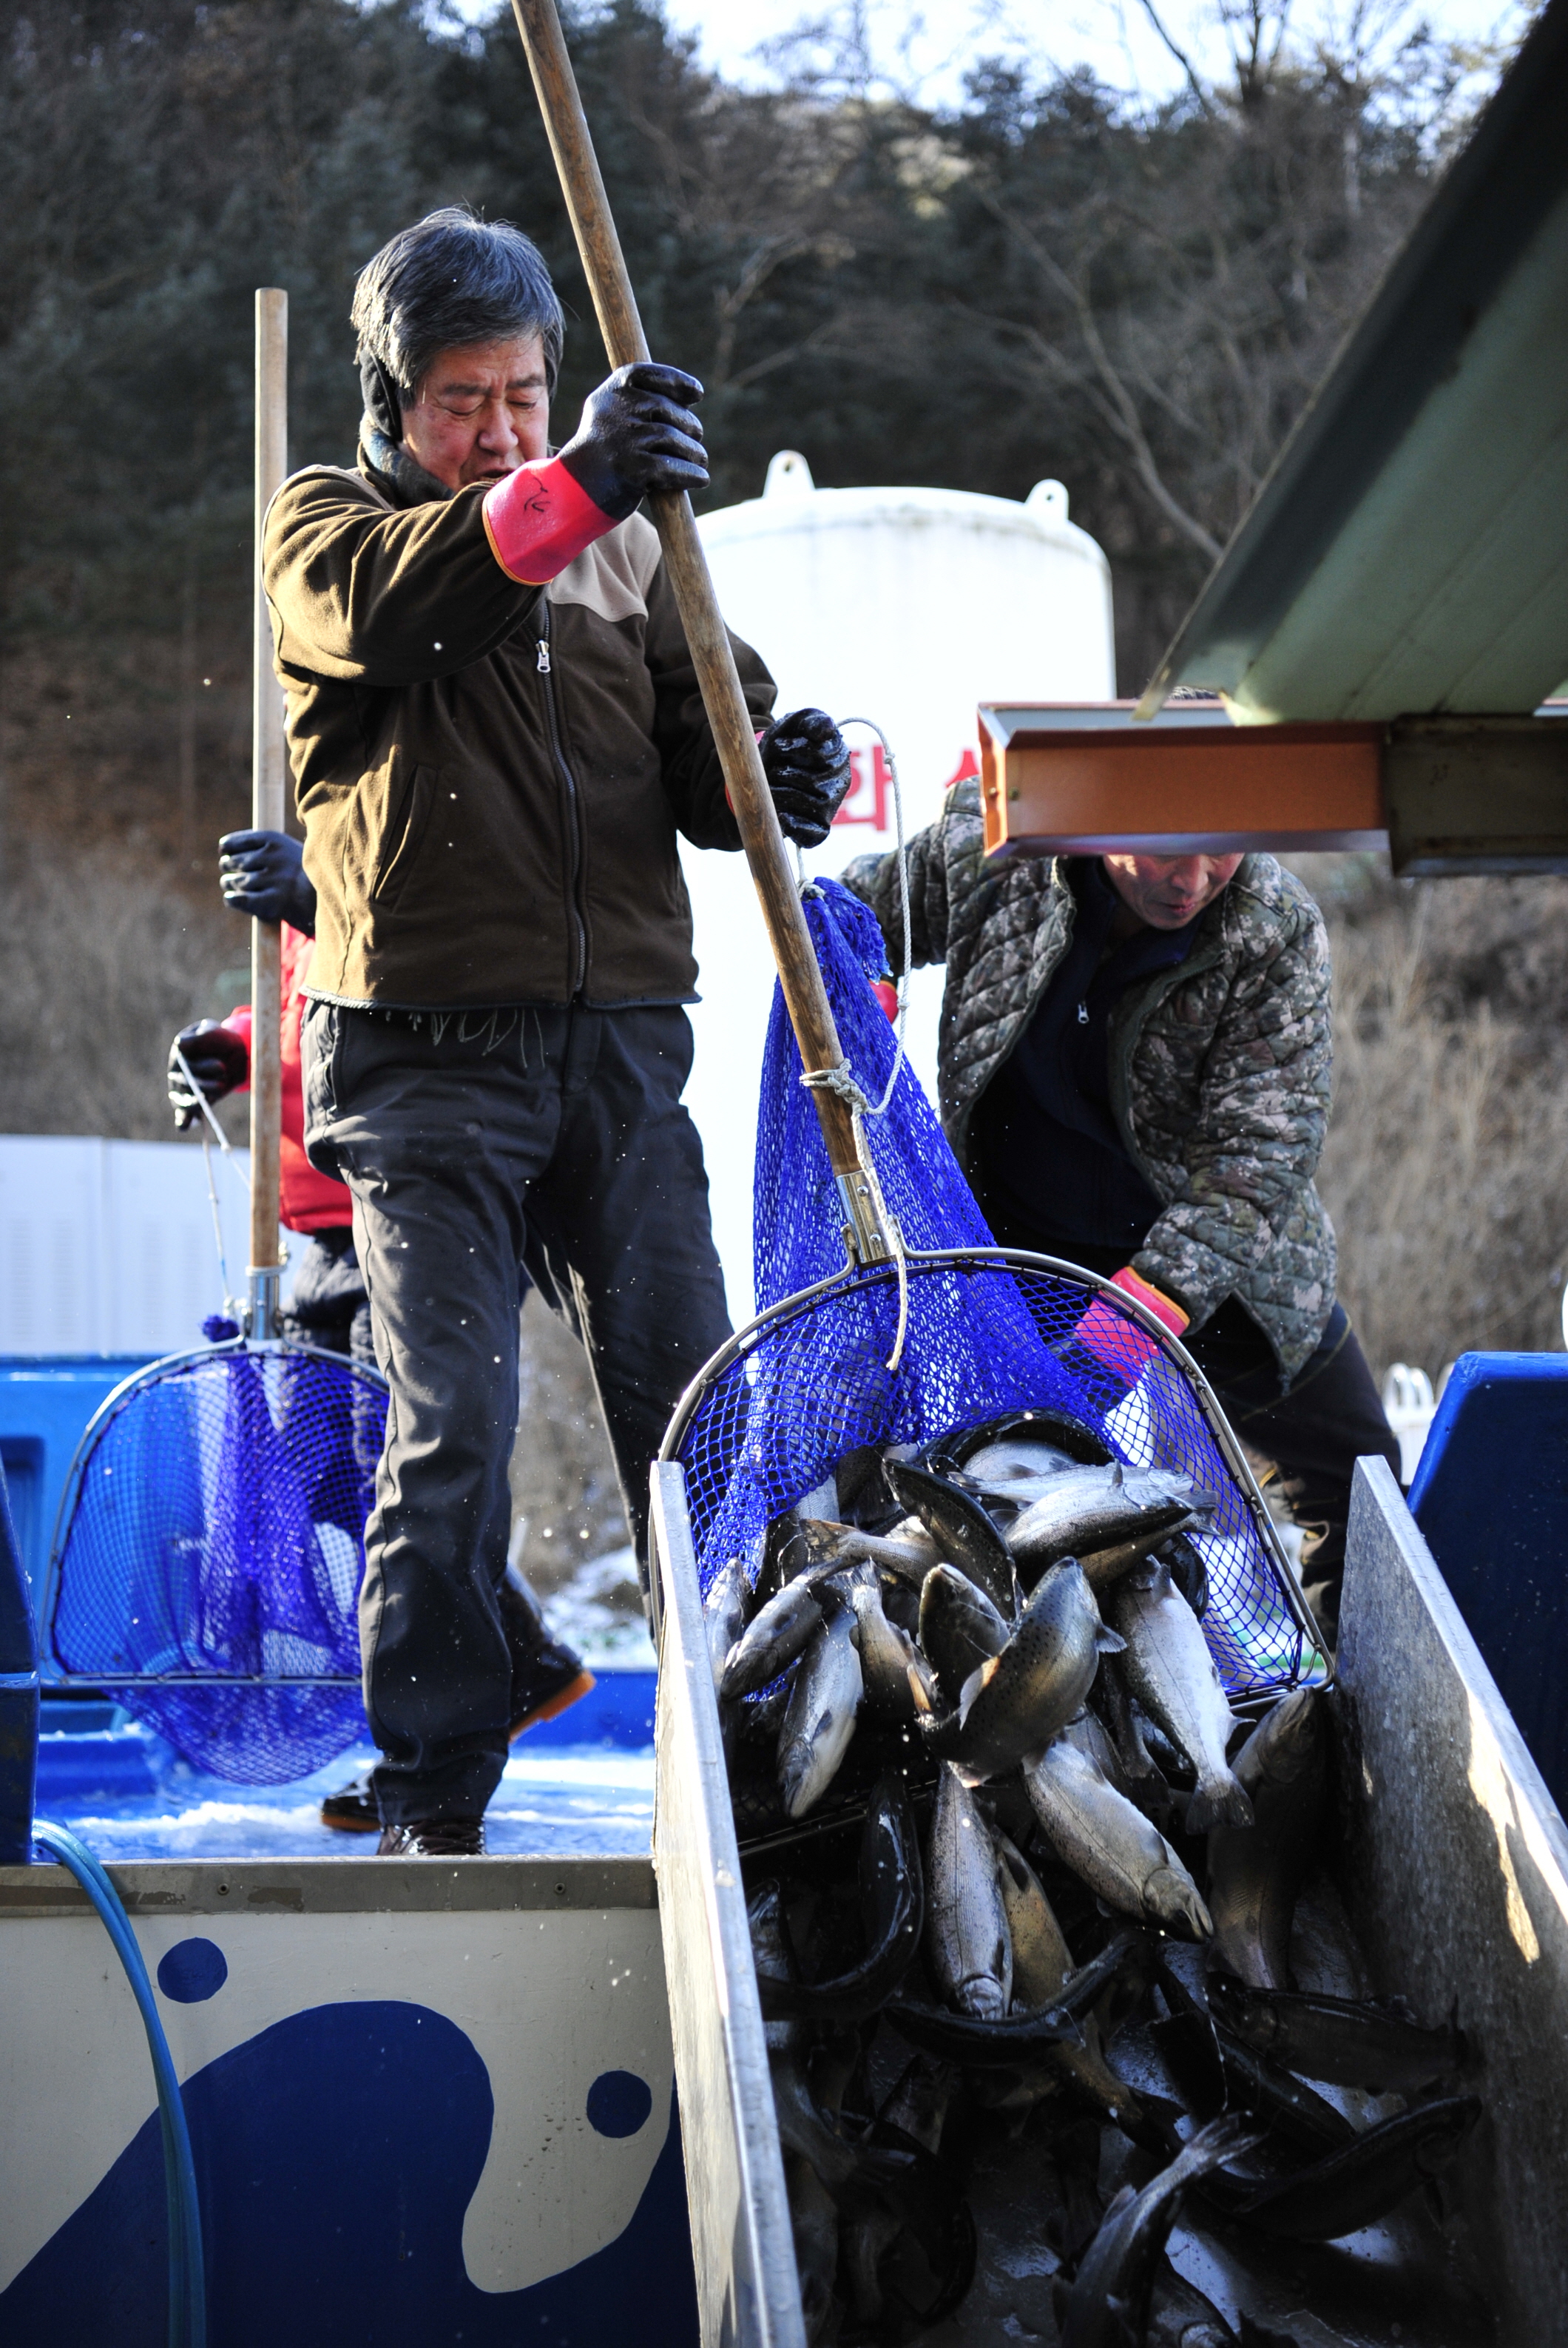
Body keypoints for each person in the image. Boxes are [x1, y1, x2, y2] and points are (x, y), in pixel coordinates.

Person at [263, 206, 851, 1856]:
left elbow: (706, 747)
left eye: (526, 393)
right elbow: (408, 612)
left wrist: (771, 773)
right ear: (392, 403)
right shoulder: (326, 532)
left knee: (694, 1403)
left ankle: (749, 1763)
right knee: (451, 1425)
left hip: (617, 1045)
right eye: (465, 400)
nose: (503, 429)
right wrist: (578, 476)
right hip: (419, 1052)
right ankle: (433, 1788)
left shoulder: (633, 541)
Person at [845, 787, 1399, 1640]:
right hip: (1016, 1257)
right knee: (946, 1494)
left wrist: (1127, 1325)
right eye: (1167, 850)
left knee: (1360, 1481)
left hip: (1215, 1268)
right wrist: (863, 989)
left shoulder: (1274, 926)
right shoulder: (988, 846)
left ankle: (1346, 1707)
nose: (1193, 879)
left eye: (1222, 850)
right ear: (1100, 818)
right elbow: (850, 911)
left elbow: (1254, 1166)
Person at [167, 829, 596, 1824]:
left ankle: (436, 1738)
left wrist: (318, 899)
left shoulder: (419, 831)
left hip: (408, 1214)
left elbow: (432, 978)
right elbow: (314, 1014)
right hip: (318, 1231)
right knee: (323, 1479)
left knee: (397, 1483)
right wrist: (234, 1047)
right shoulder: (309, 854)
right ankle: (523, 1660)